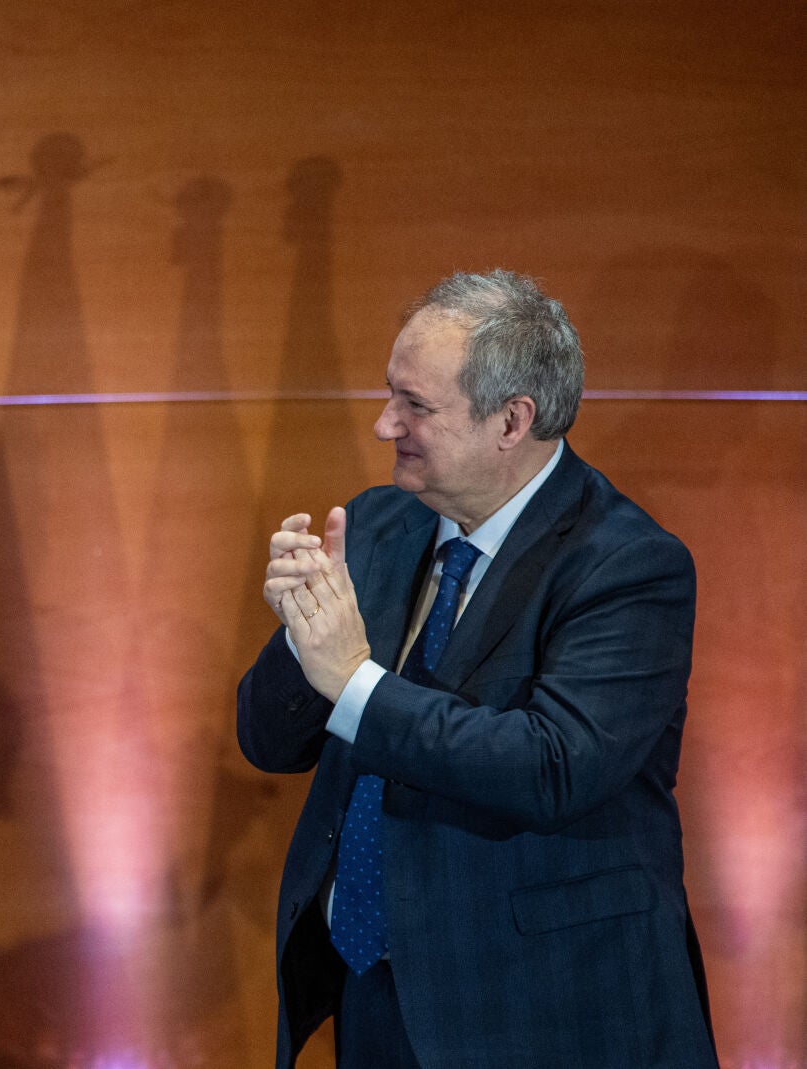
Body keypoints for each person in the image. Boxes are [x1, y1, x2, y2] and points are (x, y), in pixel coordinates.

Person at [237, 269, 717, 1068]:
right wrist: (301, 639)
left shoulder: (628, 565)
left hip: (549, 1009)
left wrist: (353, 678)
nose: (387, 422)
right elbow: (266, 739)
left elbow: (551, 765)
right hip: (378, 992)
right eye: (392, 394)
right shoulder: (383, 522)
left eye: (416, 405)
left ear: (511, 420)